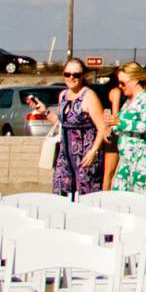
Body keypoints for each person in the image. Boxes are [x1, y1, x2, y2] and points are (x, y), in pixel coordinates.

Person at [52, 58, 113, 199]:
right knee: (61, 193)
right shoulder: (63, 95)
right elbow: (63, 123)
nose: (71, 78)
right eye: (67, 74)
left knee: (86, 195)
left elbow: (102, 128)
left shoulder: (89, 96)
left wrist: (93, 151)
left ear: (83, 76)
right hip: (65, 156)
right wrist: (44, 112)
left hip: (85, 155)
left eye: (76, 75)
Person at [110, 63, 146, 195]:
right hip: (127, 160)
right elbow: (119, 126)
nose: (120, 86)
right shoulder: (128, 101)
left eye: (123, 83)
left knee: (142, 200)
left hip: (142, 160)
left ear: (135, 80)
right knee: (120, 196)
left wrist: (120, 122)